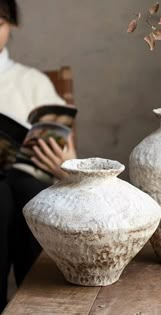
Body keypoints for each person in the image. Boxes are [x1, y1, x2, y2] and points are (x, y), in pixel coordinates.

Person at [0, 1, 77, 311]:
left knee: (28, 192)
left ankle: (36, 304)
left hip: (28, 181)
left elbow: (69, 159)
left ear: (12, 26)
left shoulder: (33, 82)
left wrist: (63, 167)